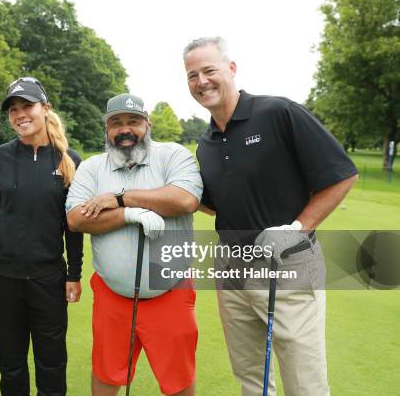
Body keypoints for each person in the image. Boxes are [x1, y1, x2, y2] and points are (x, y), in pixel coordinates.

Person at [183, 36, 358, 396]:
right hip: (232, 268)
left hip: (288, 264)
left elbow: (341, 174)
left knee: (303, 381)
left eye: (209, 70)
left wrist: (297, 228)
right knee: (251, 378)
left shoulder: (278, 112)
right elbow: (216, 202)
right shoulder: (206, 141)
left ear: (231, 69)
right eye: (192, 75)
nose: (201, 81)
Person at [66, 93, 203, 396]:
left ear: (147, 125)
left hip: (170, 293)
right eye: (116, 123)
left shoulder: (173, 155)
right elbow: (76, 219)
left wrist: (120, 199)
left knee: (178, 379)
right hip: (112, 294)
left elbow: (185, 199)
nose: (125, 130)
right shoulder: (92, 168)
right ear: (107, 129)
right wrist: (128, 215)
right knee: (106, 373)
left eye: (133, 122)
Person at [0, 77, 84, 395]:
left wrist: (74, 274)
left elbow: (73, 226)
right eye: (13, 109)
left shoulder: (69, 160)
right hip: (3, 277)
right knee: (10, 363)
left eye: (27, 106)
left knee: (52, 362)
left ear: (45, 108)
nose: (19, 114)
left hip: (48, 277)